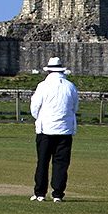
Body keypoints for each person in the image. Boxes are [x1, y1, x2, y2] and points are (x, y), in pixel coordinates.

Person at [30, 57, 79, 202]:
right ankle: (57, 194)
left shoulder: (43, 86)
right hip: (65, 130)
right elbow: (75, 107)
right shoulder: (70, 86)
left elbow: (34, 107)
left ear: (49, 70)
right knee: (61, 163)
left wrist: (40, 118)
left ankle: (40, 193)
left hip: (46, 129)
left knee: (43, 161)